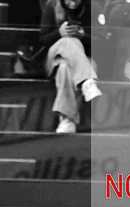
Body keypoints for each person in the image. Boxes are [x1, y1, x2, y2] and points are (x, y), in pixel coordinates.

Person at [40, 0, 102, 133]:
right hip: (55, 58)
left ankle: (67, 119)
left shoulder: (92, 7)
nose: (73, 4)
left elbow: (102, 41)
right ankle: (87, 81)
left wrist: (83, 35)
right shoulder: (52, 6)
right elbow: (42, 40)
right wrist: (59, 33)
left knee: (65, 69)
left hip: (85, 59)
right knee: (68, 40)